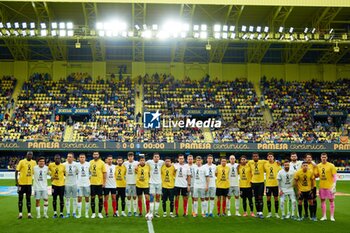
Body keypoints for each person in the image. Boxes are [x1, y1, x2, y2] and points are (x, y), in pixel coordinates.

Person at [15, 151, 37, 219]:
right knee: (20, 199)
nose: (30, 156)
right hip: (21, 184)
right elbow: (16, 171)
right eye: (28, 154)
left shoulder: (34, 162)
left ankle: (29, 214)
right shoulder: (22, 162)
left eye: (31, 155)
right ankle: (20, 214)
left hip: (29, 184)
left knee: (28, 199)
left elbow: (35, 172)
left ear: (32, 156)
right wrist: (16, 182)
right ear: (26, 155)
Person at [317, 153, 337, 221]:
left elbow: (334, 176)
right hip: (322, 186)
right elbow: (316, 175)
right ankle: (324, 216)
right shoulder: (318, 165)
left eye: (325, 157)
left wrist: (334, 185)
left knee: (331, 200)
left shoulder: (331, 165)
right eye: (322, 157)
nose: (324, 158)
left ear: (327, 157)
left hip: (329, 186)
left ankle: (332, 216)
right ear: (320, 158)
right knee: (322, 200)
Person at [248, 152, 267, 218]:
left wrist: (277, 162)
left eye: (256, 156)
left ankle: (261, 212)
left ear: (258, 157)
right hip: (253, 183)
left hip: (261, 182)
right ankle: (257, 212)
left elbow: (271, 162)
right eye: (254, 156)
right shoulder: (250, 162)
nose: (255, 157)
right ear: (252, 157)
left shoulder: (263, 161)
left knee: (260, 197)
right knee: (255, 198)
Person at [147, 152, 164, 218]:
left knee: (158, 197)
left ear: (159, 158)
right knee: (151, 197)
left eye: (157, 157)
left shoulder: (161, 162)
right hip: (152, 182)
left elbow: (169, 163)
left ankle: (156, 212)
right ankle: (151, 212)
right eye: (155, 157)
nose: (156, 158)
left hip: (159, 183)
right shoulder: (149, 162)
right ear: (153, 157)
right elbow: (142, 164)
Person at [89, 151, 107, 219]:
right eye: (94, 154)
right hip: (92, 183)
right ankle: (93, 213)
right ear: (93, 155)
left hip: (99, 184)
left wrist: (104, 182)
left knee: (100, 198)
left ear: (98, 155)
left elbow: (104, 173)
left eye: (97, 154)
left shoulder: (102, 163)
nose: (95, 155)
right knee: (92, 198)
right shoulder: (90, 162)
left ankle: (99, 213)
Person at [264, 152, 281, 218]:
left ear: (273, 157)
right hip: (268, 184)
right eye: (269, 156)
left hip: (275, 184)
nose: (270, 158)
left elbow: (281, 172)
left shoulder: (277, 164)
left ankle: (276, 213)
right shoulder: (265, 164)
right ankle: (269, 213)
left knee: (276, 199)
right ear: (267, 157)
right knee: (268, 199)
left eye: (271, 156)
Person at [48, 154, 65, 218]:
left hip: (61, 185)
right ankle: (55, 213)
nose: (57, 159)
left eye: (58, 158)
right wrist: (50, 175)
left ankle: (61, 213)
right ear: (54, 159)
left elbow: (65, 173)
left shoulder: (63, 166)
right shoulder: (51, 165)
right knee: (54, 199)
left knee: (61, 199)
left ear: (60, 159)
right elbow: (47, 170)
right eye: (56, 158)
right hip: (54, 185)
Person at [123, 152, 139, 216]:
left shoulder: (137, 163)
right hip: (127, 183)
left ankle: (135, 211)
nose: (130, 157)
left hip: (135, 183)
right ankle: (129, 211)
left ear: (133, 157)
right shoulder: (125, 163)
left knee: (135, 197)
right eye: (129, 156)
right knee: (128, 197)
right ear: (128, 157)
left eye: (131, 156)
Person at [64, 152, 79, 218]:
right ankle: (67, 213)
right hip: (67, 184)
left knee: (75, 199)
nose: (68, 158)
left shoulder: (76, 164)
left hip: (75, 184)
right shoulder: (63, 164)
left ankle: (74, 213)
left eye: (70, 157)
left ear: (73, 158)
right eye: (68, 157)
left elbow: (79, 173)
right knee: (67, 199)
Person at [76, 153, 90, 218]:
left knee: (87, 198)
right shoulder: (76, 165)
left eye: (83, 157)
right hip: (79, 184)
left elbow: (92, 172)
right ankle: (79, 214)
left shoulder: (88, 164)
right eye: (81, 157)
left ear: (85, 158)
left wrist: (89, 177)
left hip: (87, 184)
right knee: (79, 198)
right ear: (79, 158)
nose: (82, 158)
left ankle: (86, 213)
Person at [305, 153, 318, 220]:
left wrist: (315, 167)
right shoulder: (303, 165)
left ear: (311, 158)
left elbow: (316, 175)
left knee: (313, 200)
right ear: (305, 158)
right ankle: (306, 214)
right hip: (304, 186)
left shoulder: (314, 166)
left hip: (313, 186)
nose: (309, 158)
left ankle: (314, 215)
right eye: (307, 157)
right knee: (305, 200)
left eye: (310, 157)